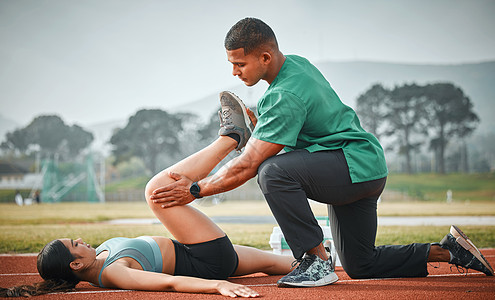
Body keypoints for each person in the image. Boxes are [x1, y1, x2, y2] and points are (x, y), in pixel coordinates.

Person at [149, 17, 494, 288]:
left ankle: (315, 262)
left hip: (350, 166)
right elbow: (296, 121)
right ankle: (449, 250)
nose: (234, 72)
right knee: (361, 264)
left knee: (273, 172)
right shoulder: (295, 65)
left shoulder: (283, 96)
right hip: (362, 167)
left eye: (239, 64)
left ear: (265, 57)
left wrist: (195, 189)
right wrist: (263, 126)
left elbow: (249, 166)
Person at [0, 129, 296, 298]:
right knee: (156, 192)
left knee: (286, 264)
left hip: (198, 253)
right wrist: (217, 285)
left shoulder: (102, 254)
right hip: (204, 257)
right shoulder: (113, 273)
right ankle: (233, 136)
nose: (79, 239)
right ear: (76, 265)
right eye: (74, 245)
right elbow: (169, 283)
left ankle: (324, 260)